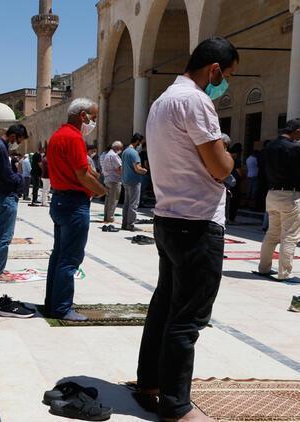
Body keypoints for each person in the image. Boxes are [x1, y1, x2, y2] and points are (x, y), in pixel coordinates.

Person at [138, 37, 238, 421]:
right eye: (226, 75)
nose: (224, 82)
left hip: (169, 218)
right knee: (188, 317)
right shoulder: (197, 101)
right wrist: (228, 157)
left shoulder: (162, 101)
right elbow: (220, 167)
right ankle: (177, 407)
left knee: (165, 306)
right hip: (196, 222)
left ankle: (150, 382)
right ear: (214, 70)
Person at [45, 98, 106, 322]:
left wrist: (94, 179)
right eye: (93, 117)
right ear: (82, 115)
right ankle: (61, 308)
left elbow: (84, 171)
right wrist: (101, 191)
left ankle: (52, 302)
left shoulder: (57, 136)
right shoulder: (74, 137)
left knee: (59, 255)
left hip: (60, 200)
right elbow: (83, 174)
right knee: (70, 259)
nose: (94, 122)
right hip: (73, 204)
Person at [257, 119, 300, 280]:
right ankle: (285, 273)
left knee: (272, 233)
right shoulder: (295, 148)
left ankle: (264, 267)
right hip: (290, 195)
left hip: (272, 194)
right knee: (290, 235)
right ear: (296, 130)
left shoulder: (270, 146)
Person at [0, 124, 29, 282]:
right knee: (4, 236)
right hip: (5, 196)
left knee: (2, 235)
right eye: (19, 140)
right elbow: (8, 176)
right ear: (14, 136)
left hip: (1, 195)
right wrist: (20, 178)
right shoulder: (0, 148)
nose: (18, 144)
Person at [121, 133, 148, 231]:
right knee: (133, 204)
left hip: (126, 180)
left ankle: (124, 224)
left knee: (126, 204)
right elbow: (137, 168)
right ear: (137, 141)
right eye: (140, 142)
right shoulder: (134, 153)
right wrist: (145, 171)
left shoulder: (125, 151)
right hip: (134, 181)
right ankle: (130, 225)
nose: (140, 144)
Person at [101, 141, 124, 223]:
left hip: (107, 179)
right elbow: (119, 168)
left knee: (108, 199)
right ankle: (110, 217)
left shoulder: (107, 155)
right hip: (114, 180)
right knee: (113, 200)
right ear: (117, 148)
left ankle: (106, 216)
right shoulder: (114, 156)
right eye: (121, 148)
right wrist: (124, 176)